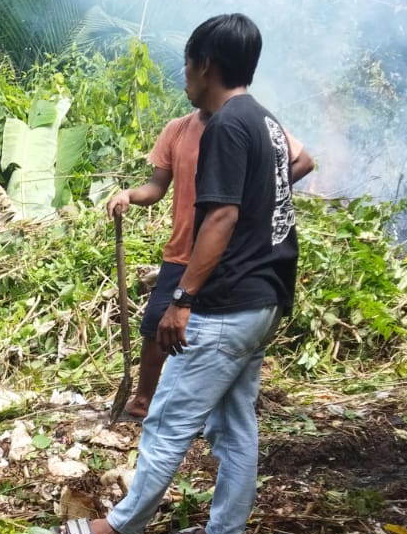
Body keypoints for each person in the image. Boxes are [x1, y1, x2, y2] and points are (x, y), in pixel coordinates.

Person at [57, 12, 299, 534]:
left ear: (204, 64)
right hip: (264, 298)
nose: (184, 76)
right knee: (235, 423)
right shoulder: (264, 122)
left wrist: (183, 300)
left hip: (227, 301)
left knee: (168, 417)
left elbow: (219, 220)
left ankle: (121, 528)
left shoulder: (226, 127)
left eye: (187, 64)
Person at [106, 106, 313, 421]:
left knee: (211, 330)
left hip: (230, 251)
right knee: (156, 327)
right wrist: (129, 195)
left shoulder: (245, 125)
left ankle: (207, 408)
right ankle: (143, 401)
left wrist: (260, 190)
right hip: (181, 250)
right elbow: (156, 187)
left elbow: (304, 161)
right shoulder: (177, 130)